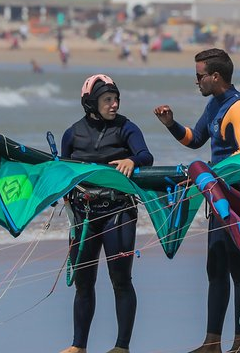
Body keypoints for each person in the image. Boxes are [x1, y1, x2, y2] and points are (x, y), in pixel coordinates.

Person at [153, 48, 240, 353]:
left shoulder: (239, 108)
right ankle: (212, 343)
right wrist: (170, 124)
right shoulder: (215, 104)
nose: (197, 81)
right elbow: (195, 139)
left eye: (200, 76)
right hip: (218, 195)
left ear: (216, 76)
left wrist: (209, 174)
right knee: (215, 268)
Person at [60, 74, 154, 353]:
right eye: (107, 99)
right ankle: (79, 346)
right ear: (91, 102)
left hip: (118, 210)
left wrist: (131, 159)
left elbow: (146, 156)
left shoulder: (127, 128)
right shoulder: (72, 133)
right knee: (83, 282)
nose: (113, 105)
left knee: (121, 279)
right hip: (83, 214)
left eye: (115, 99)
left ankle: (121, 346)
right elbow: (62, 169)